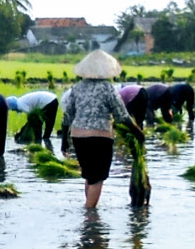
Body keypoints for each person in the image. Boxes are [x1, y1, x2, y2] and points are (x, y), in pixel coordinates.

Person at [61, 50, 145, 208]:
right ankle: (90, 218)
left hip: (78, 136)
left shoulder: (77, 88)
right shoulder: (108, 88)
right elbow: (121, 116)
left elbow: (67, 116)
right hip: (100, 137)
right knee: (98, 177)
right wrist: (138, 132)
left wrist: (64, 140)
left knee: (89, 175)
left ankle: (90, 212)